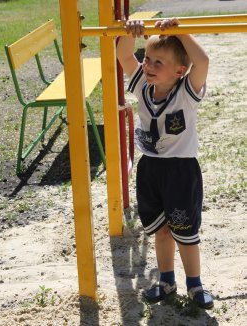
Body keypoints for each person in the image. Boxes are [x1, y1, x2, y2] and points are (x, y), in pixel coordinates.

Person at [117, 18, 214, 309]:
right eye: (147, 59)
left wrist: (179, 32)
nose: (148, 66)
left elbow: (203, 61)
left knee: (184, 231)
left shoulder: (186, 93)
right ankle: (166, 279)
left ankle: (195, 284)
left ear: (180, 71)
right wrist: (131, 32)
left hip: (180, 170)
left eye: (159, 62)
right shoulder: (143, 87)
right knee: (160, 230)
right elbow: (123, 54)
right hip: (151, 169)